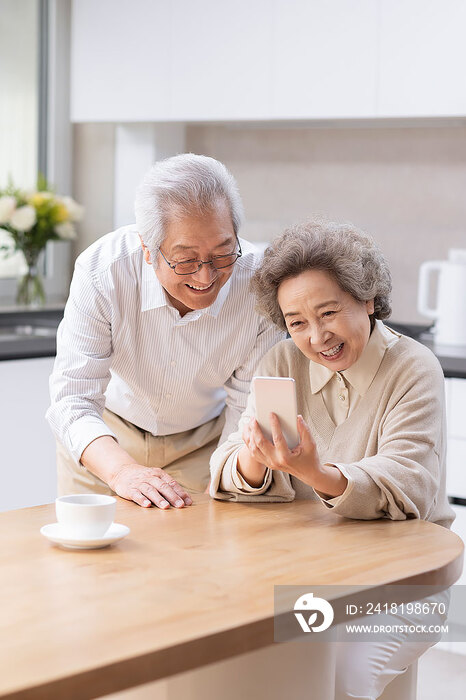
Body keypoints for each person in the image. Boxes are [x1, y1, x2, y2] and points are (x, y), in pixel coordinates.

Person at [209, 219, 454, 699]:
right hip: (314, 577)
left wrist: (315, 474)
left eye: (328, 312)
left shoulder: (413, 368)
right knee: (244, 663)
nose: (316, 336)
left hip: (405, 583)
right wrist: (256, 462)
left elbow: (410, 485)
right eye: (297, 322)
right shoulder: (282, 363)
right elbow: (222, 464)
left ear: (367, 298)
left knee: (341, 677)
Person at [47, 154, 283, 510]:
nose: (206, 277)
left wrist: (236, 475)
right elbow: (72, 400)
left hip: (204, 443)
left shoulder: (259, 285)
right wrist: (122, 472)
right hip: (106, 441)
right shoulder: (103, 272)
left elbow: (247, 405)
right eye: (185, 260)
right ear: (147, 249)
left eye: (222, 255)